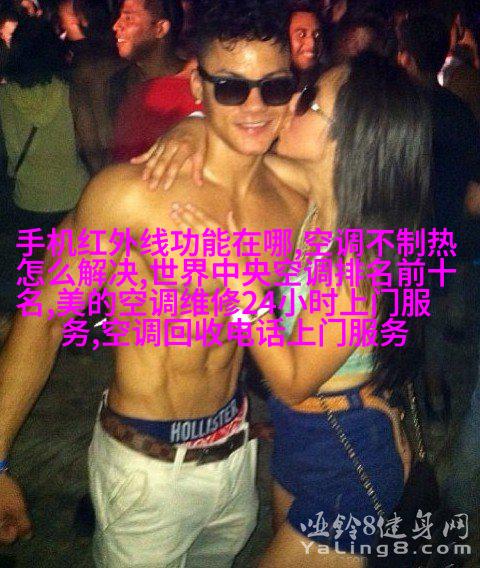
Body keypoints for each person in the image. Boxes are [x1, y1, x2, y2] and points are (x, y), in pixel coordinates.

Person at [0, 1, 307, 567]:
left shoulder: (295, 195)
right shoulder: (129, 195)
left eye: (274, 87)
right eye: (231, 88)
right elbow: (43, 320)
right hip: (146, 470)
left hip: (237, 457)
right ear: (197, 85)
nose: (255, 106)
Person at [161, 52, 432, 566]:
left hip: (346, 458)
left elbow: (290, 381)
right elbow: (237, 154)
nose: (288, 106)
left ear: (347, 139)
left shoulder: (357, 262)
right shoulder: (318, 196)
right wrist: (192, 128)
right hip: (299, 437)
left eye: (308, 101)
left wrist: (233, 276)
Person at [397, 12, 480, 424]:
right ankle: (433, 391)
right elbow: (474, 191)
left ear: (406, 58)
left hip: (405, 238)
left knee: (404, 316)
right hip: (447, 238)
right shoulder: (458, 112)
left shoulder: (398, 114)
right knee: (433, 317)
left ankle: (407, 391)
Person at [110, 0, 199, 161]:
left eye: (128, 18)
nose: (116, 26)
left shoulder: (198, 84)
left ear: (160, 28)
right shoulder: (118, 85)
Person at [288, 0, 323, 86]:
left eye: (317, 35)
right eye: (301, 34)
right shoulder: (269, 84)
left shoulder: (330, 81)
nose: (312, 43)